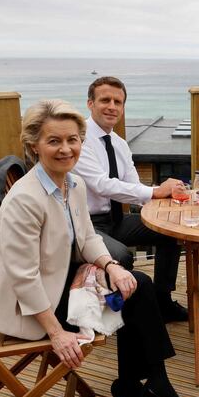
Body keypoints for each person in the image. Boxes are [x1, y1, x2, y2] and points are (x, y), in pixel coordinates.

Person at [0, 99, 198, 397]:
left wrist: (110, 266)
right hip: (31, 308)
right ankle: (140, 383)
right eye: (54, 141)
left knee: (135, 285)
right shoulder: (24, 201)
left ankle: (149, 382)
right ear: (34, 146)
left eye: (73, 140)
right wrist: (56, 333)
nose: (66, 149)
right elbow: (24, 278)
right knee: (137, 293)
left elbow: (86, 238)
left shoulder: (72, 183)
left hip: (59, 283)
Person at [72, 76, 188, 322]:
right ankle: (126, 313)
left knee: (170, 232)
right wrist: (156, 190)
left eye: (118, 102)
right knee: (121, 255)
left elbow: (134, 188)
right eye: (105, 100)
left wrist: (170, 206)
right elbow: (102, 185)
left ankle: (162, 301)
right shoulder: (78, 140)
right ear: (90, 103)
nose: (112, 106)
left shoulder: (120, 144)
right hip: (85, 226)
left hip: (114, 220)